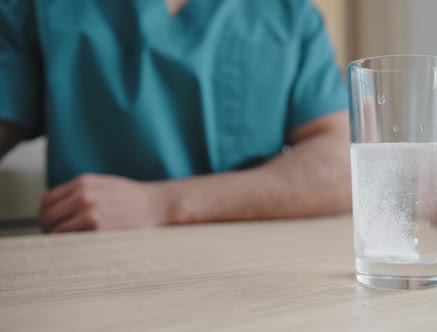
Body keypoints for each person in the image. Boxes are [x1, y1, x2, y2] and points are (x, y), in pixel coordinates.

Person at [0, 0, 351, 232]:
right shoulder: (38, 9)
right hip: (90, 269)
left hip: (251, 273)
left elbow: (341, 169)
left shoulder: (290, 15)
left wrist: (159, 204)